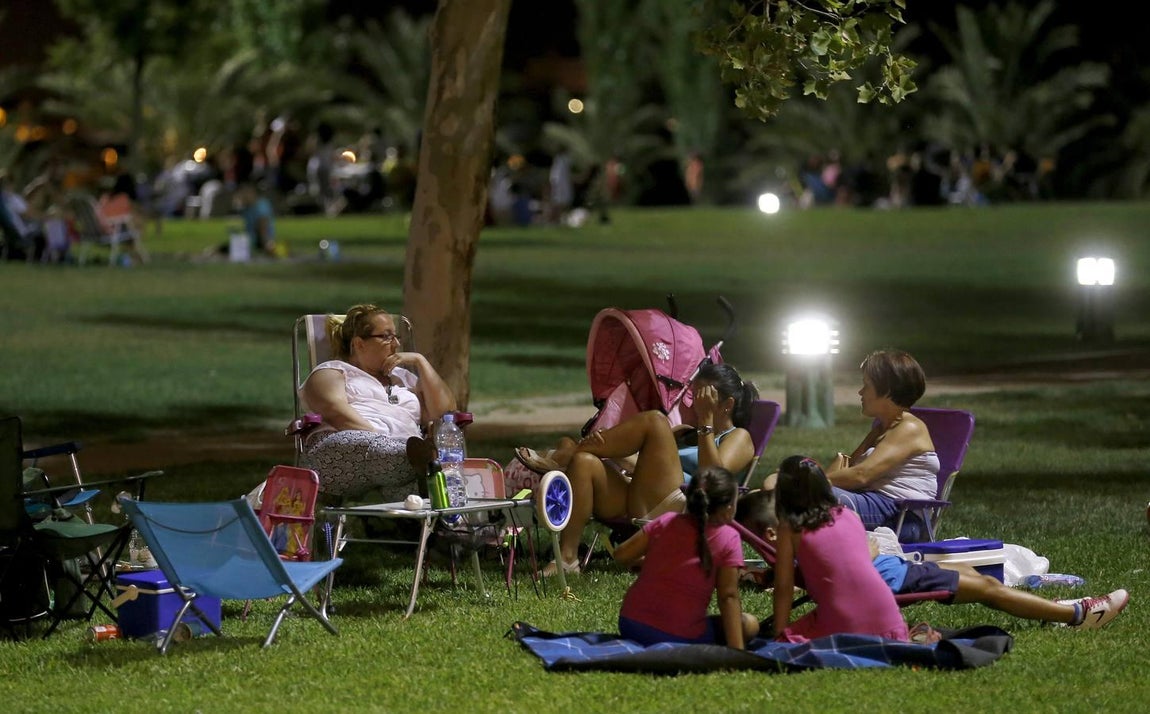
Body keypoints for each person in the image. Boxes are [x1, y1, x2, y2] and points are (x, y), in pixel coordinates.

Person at [737, 489, 1131, 631]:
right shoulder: (798, 545)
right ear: (773, 531)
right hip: (893, 579)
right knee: (988, 589)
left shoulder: (790, 550)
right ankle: (1078, 616)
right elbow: (862, 554)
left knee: (974, 574)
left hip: (895, 571)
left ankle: (1049, 606)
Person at [516, 362, 759, 576]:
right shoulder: (685, 432)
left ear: (727, 404)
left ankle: (566, 455)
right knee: (586, 463)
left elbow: (712, 479)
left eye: (704, 396)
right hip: (645, 497)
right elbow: (645, 467)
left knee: (655, 421)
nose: (695, 403)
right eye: (694, 395)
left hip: (685, 507)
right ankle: (567, 560)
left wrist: (706, 424)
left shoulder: (739, 437)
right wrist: (611, 451)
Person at [298, 304, 456, 500]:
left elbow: (445, 412)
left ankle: (422, 486)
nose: (396, 344)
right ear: (359, 344)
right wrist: (385, 440)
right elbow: (335, 411)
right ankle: (425, 465)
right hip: (341, 451)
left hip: (396, 463)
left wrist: (420, 361)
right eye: (387, 336)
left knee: (430, 492)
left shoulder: (404, 378)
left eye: (396, 336)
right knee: (382, 450)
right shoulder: (333, 371)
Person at [614, 466, 759, 649]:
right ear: (729, 507)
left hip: (632, 624)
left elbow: (620, 555)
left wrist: (646, 562)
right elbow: (728, 596)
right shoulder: (729, 538)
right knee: (750, 624)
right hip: (679, 635)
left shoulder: (665, 521)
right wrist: (737, 651)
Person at [771, 455, 909, 642]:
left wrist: (779, 632)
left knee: (793, 638)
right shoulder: (852, 515)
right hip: (890, 621)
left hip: (844, 624)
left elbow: (784, 586)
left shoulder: (790, 527)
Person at [823, 349, 938, 541]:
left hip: (900, 516)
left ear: (887, 390)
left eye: (866, 386)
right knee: (779, 495)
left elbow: (861, 475)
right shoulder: (880, 429)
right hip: (875, 505)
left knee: (811, 498)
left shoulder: (909, 427)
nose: (860, 392)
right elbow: (850, 469)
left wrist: (812, 483)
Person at [235, 181, 279, 256]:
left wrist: (265, 244)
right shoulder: (246, 208)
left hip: (260, 241)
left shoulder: (261, 206)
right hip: (249, 241)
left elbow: (263, 226)